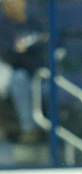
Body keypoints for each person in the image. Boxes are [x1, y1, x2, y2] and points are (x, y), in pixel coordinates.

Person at [0, 0, 46, 144]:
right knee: (18, 78)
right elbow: (8, 54)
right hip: (13, 71)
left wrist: (26, 51)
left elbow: (47, 45)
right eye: (8, 3)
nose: (13, 5)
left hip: (40, 71)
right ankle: (28, 129)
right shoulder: (3, 26)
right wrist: (25, 52)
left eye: (16, 2)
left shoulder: (35, 22)